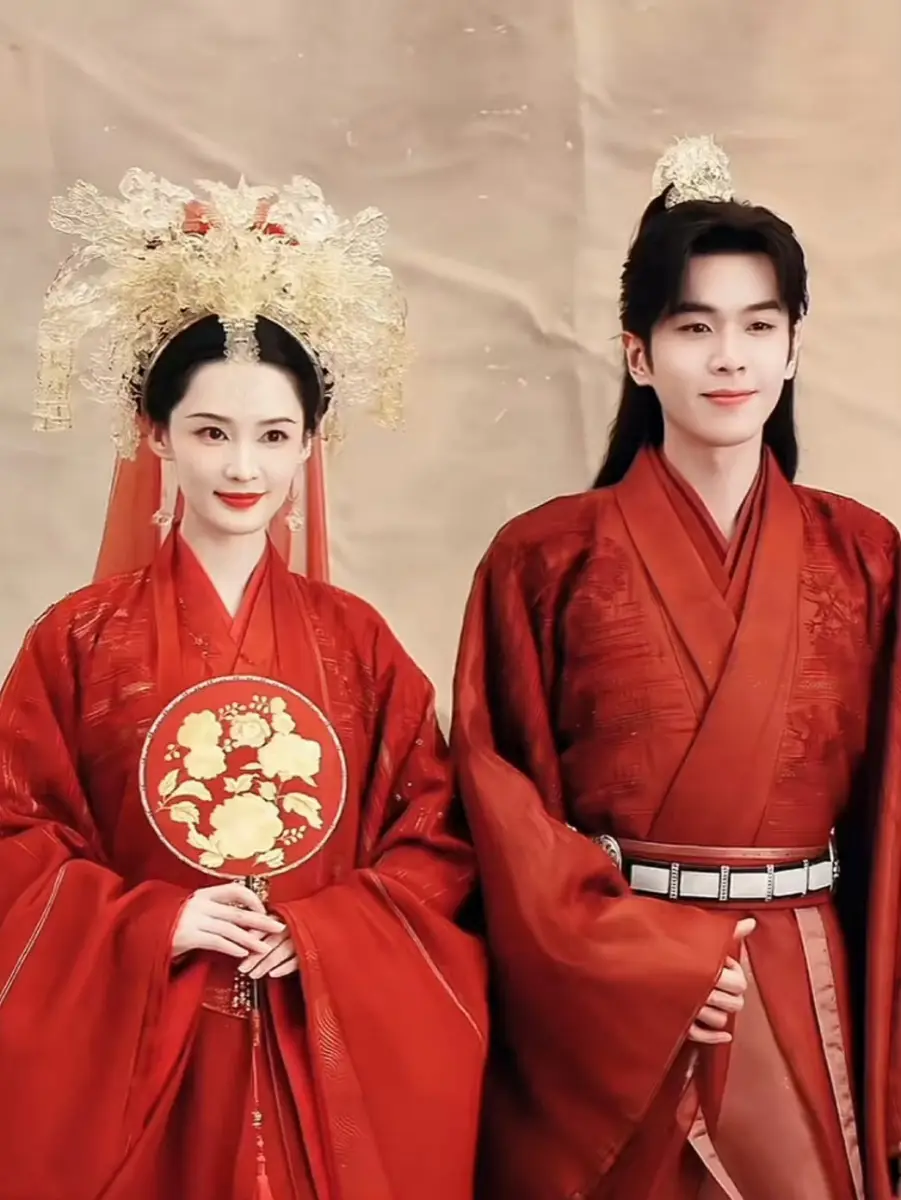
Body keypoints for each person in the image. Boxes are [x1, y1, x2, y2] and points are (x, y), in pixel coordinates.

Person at [0, 172, 487, 1200]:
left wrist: (327, 933)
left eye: (273, 436)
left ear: (310, 443)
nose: (242, 467)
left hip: (315, 1040)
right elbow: (13, 835)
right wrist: (149, 924)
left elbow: (434, 837)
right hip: (141, 1045)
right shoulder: (77, 640)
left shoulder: (357, 643)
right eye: (211, 431)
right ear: (157, 434)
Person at [451, 135, 901, 1200]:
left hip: (799, 976)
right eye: (694, 328)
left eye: (758, 327)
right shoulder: (543, 558)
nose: (729, 359)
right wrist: (632, 962)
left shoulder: (865, 556)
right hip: (616, 989)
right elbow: (499, 804)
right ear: (638, 353)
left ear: (793, 347)